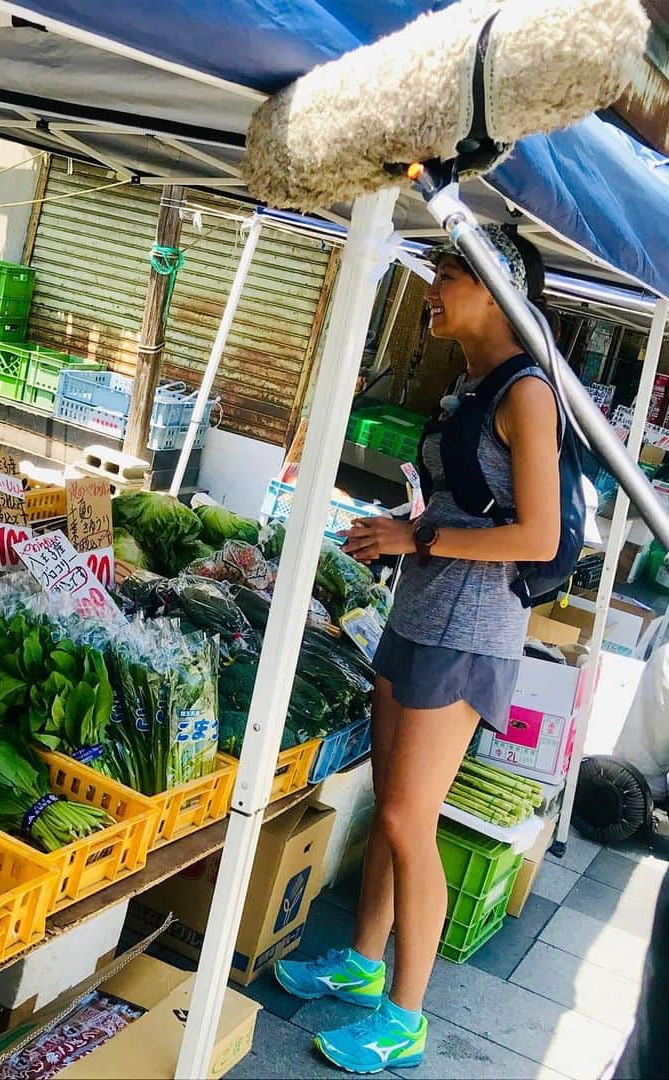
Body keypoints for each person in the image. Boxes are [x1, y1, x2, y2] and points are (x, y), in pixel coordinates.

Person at [273, 226, 562, 1073]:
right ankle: (364, 963)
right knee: (393, 804)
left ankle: (407, 1014)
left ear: (500, 289)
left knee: (406, 819)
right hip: (419, 613)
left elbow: (540, 537)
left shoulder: (528, 393)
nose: (430, 286)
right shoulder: (471, 381)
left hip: (469, 631)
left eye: (447, 272)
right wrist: (405, 537)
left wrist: (417, 540)